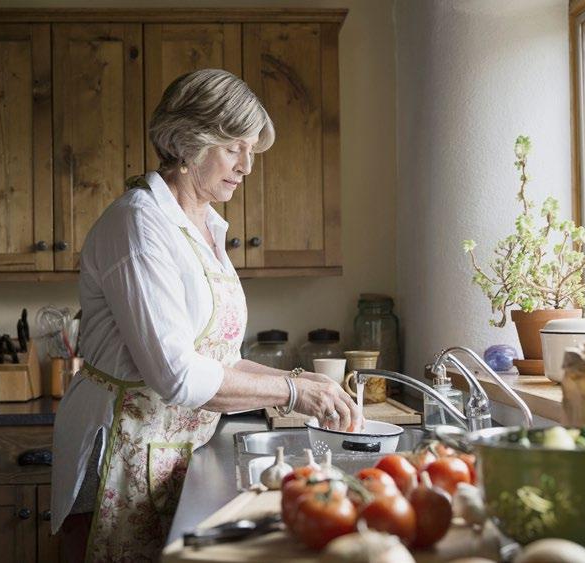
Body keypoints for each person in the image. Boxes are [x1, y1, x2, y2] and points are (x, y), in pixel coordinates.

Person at [50, 68, 360, 563]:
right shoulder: (138, 224)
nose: (247, 166)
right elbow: (178, 375)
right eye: (235, 147)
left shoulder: (203, 226)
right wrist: (294, 391)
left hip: (173, 452)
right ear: (189, 140)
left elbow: (221, 359)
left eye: (252, 151)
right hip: (123, 455)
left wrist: (306, 385)